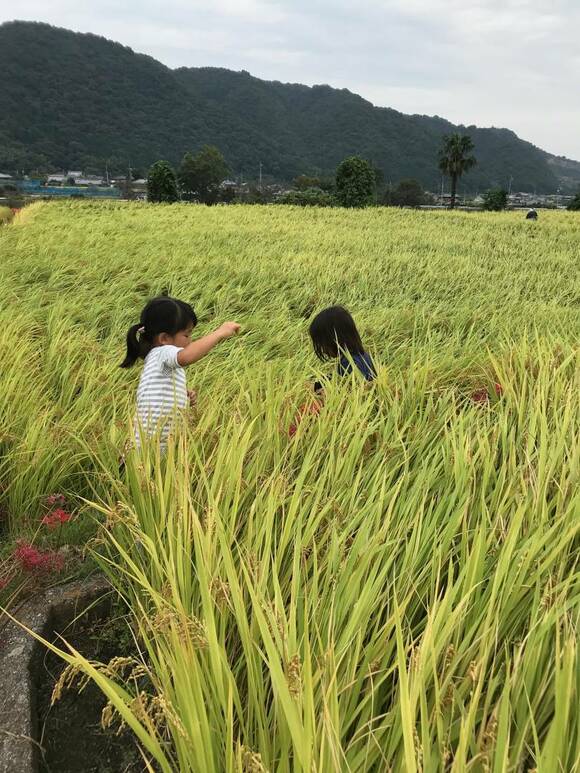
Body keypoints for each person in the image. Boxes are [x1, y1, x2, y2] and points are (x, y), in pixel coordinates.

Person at [120, 296, 240, 448]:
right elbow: (186, 357)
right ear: (164, 338)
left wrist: (182, 396)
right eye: (186, 335)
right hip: (148, 446)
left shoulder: (157, 358)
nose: (190, 340)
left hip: (153, 445)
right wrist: (219, 333)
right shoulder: (163, 352)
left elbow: (161, 392)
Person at [289, 306, 376, 436]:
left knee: (299, 419)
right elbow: (335, 378)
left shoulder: (350, 364)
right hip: (359, 413)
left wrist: (318, 393)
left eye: (322, 343)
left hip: (352, 422)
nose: (322, 350)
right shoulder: (361, 356)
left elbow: (340, 397)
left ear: (334, 339)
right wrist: (316, 384)